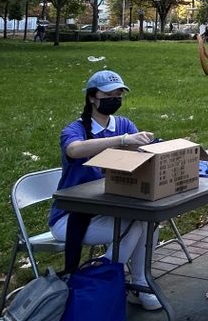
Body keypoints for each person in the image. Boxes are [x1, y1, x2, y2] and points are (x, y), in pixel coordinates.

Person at [48, 70, 163, 311]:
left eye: (119, 94)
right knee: (133, 226)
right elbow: (75, 150)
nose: (115, 98)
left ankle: (135, 283)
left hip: (111, 205)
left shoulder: (123, 124)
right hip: (72, 216)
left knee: (146, 222)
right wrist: (121, 141)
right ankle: (105, 282)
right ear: (92, 97)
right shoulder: (75, 129)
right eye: (109, 94)